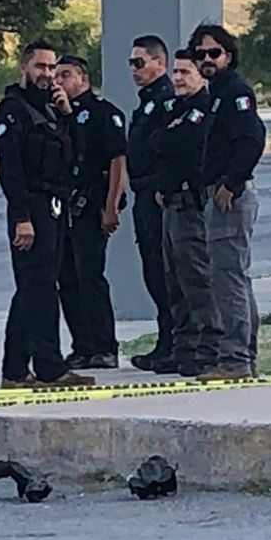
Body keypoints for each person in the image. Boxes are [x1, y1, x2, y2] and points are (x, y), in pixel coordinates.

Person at [0, 41, 95, 389]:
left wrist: (67, 115)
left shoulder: (52, 110)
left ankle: (15, 370)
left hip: (55, 204)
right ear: (24, 67)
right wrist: (22, 216)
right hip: (31, 207)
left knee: (33, 289)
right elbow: (11, 169)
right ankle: (50, 368)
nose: (48, 75)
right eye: (41, 67)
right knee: (39, 291)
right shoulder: (13, 110)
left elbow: (77, 154)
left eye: (52, 69)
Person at [193, 22, 266, 381]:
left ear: (228, 56)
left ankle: (235, 360)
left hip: (230, 199)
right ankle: (242, 354)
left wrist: (230, 184)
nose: (206, 59)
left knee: (228, 279)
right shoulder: (217, 94)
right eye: (200, 54)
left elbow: (252, 140)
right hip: (219, 194)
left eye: (214, 53)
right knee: (233, 276)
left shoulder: (236, 92)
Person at [53, 54, 129, 371]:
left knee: (90, 277)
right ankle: (82, 345)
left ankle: (104, 346)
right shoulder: (55, 115)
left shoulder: (102, 113)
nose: (59, 82)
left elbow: (117, 160)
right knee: (66, 278)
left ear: (83, 79)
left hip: (92, 204)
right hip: (64, 206)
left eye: (66, 75)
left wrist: (111, 206)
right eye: (55, 76)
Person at [153, 49, 220, 376]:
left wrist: (169, 134)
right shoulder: (173, 108)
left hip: (190, 205)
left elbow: (180, 142)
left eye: (185, 72)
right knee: (174, 282)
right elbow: (155, 142)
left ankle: (208, 349)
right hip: (169, 204)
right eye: (176, 72)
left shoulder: (202, 109)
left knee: (197, 280)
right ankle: (184, 348)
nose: (177, 78)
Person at [124, 35, 177, 372]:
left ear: (160, 62)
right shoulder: (146, 101)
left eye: (139, 62)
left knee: (164, 272)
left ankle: (173, 344)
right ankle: (165, 341)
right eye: (131, 63)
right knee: (152, 271)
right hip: (142, 193)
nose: (133, 69)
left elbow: (166, 150)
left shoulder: (166, 100)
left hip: (156, 195)